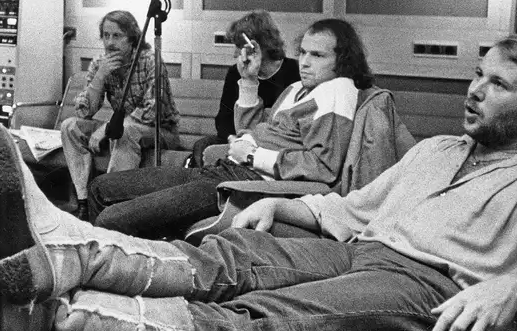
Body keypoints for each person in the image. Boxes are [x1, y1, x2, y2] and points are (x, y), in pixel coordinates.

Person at [0, 32, 517, 331]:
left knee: (268, 317)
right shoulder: (435, 151)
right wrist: (285, 211)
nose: (475, 90)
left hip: (427, 285)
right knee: (224, 256)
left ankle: (46, 319)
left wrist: (514, 287)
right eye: (477, 74)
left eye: (498, 84)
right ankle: (54, 256)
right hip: (354, 249)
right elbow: (349, 207)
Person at [87, 18, 369, 238]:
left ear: (342, 60)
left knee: (111, 219)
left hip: (241, 184)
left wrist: (253, 156)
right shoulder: (297, 88)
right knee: (101, 187)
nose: (305, 62)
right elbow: (253, 131)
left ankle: (112, 272)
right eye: (304, 52)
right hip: (222, 169)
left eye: (317, 55)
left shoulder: (338, 90)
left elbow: (323, 168)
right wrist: (249, 80)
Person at [59, 10, 181, 219]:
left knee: (124, 131)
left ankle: (110, 207)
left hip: (160, 131)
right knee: (70, 126)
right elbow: (84, 111)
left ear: (131, 39)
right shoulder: (100, 64)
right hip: (123, 128)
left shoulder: (151, 61)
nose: (109, 42)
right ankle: (84, 202)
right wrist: (100, 77)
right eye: (106, 36)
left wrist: (107, 129)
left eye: (117, 36)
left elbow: (152, 110)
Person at [186, 11, 299, 167]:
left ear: (257, 46)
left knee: (213, 152)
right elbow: (223, 119)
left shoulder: (294, 71)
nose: (235, 54)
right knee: (202, 145)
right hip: (236, 137)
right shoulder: (235, 72)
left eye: (239, 47)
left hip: (272, 142)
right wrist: (233, 139)